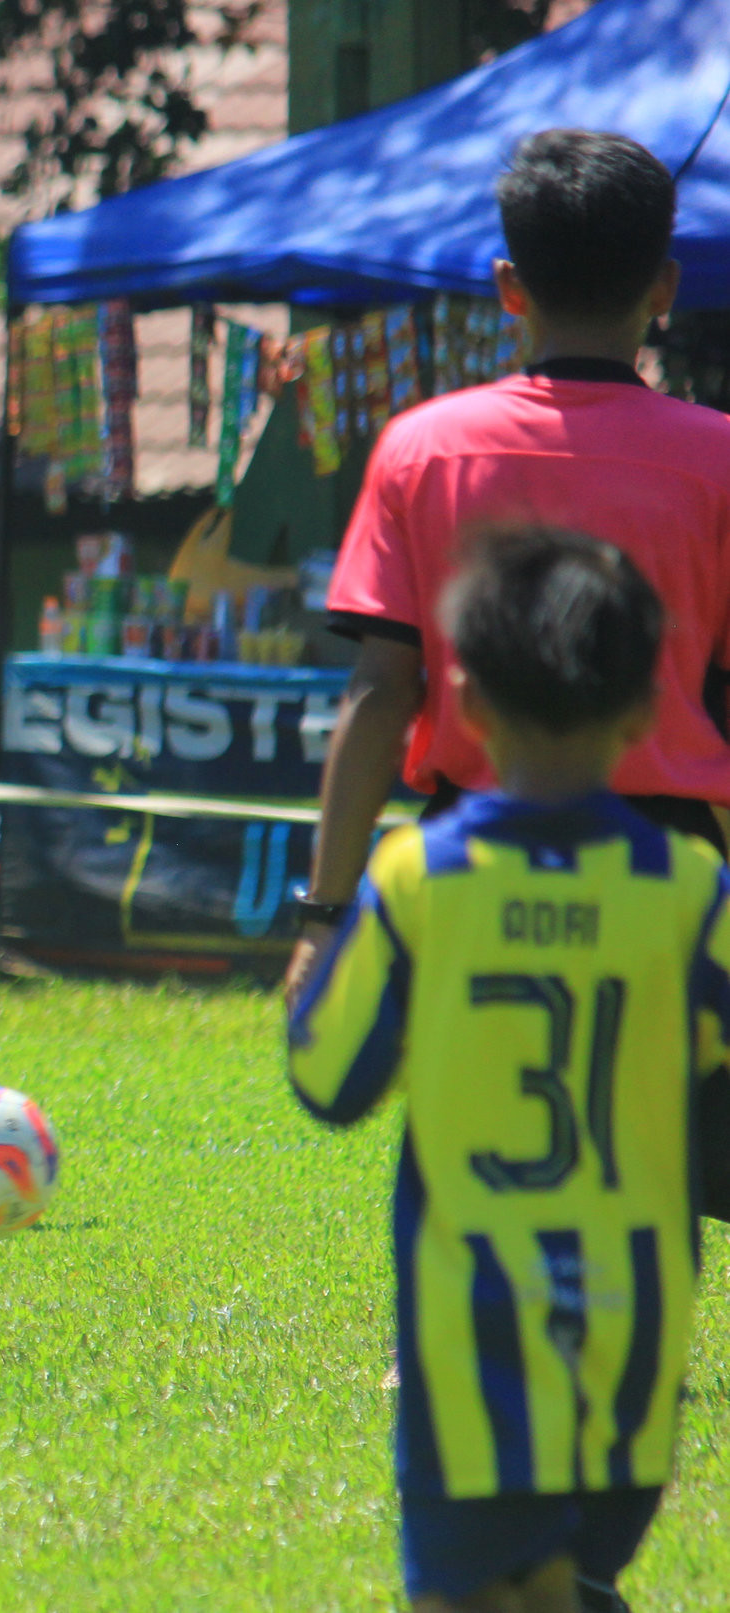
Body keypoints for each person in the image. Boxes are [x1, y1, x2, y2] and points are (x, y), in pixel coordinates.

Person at [290, 529, 712, 1613]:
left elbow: (328, 1079)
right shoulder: (690, 887)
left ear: (462, 697)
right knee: (563, 1574)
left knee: (470, 1590)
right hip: (634, 1317)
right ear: (646, 708)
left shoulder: (418, 876)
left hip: (471, 1310)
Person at [289, 129, 730, 1012]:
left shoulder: (421, 450)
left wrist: (325, 914)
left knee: (468, 1120)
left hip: (469, 856)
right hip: (672, 865)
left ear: (506, 289)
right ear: (664, 288)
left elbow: (380, 690)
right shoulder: (717, 462)